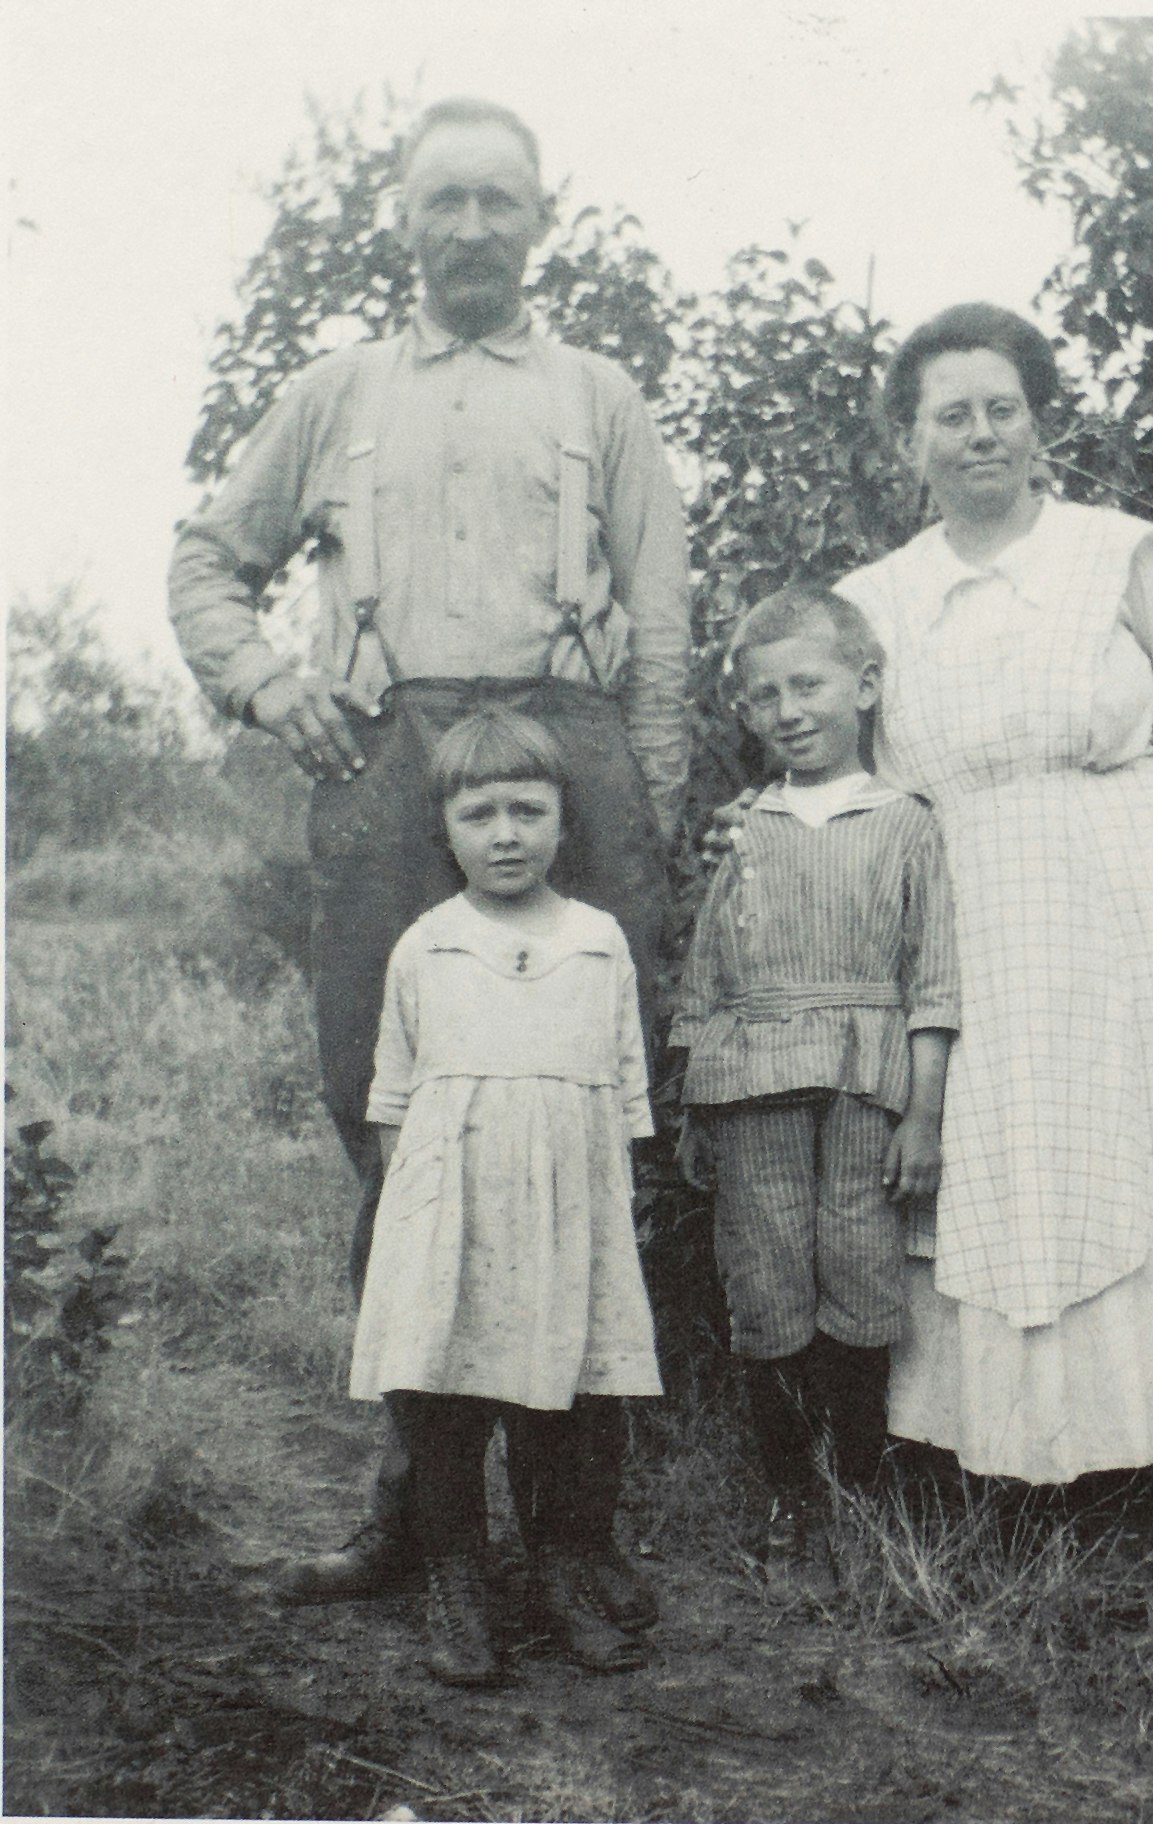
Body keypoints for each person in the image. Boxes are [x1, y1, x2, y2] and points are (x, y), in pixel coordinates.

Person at [168, 97, 689, 1610]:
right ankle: (424, 1513)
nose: (472, 228)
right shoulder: (338, 391)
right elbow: (207, 560)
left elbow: (660, 614)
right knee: (394, 1119)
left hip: (572, 766)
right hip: (391, 771)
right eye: (443, 200)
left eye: (499, 202)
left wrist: (640, 798)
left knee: (581, 1114)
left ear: (543, 219)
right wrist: (270, 683)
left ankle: (576, 1529)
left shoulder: (600, 393)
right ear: (400, 217)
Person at [831, 302, 1153, 1485]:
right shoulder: (875, 598)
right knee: (997, 1149)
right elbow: (849, 768)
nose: (980, 433)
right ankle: (1004, 1453)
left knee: (1137, 1138)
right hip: (962, 905)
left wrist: (1123, 819)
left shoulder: (1109, 549)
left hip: (1126, 898)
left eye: (1003, 409)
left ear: (1039, 426)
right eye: (951, 415)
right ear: (909, 443)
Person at [351, 709, 661, 1682]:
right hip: (456, 1220)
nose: (506, 833)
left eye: (527, 809)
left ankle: (560, 1572)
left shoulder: (598, 940)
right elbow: (395, 1098)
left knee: (565, 1405)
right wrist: (415, 1229)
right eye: (479, 813)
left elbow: (624, 1087)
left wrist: (616, 1213)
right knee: (444, 1400)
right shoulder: (426, 946)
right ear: (445, 829)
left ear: (564, 818)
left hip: (568, 1218)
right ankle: (458, 1581)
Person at [673, 585, 959, 1590]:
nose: (789, 710)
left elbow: (932, 983)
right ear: (743, 713)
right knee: (766, 1283)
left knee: (859, 1273)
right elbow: (707, 970)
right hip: (751, 1085)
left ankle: (855, 1497)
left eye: (809, 684)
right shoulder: (741, 829)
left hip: (864, 1086)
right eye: (764, 696)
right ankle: (788, 1500)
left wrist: (921, 1116)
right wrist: (695, 1102)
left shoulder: (905, 823)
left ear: (864, 685)